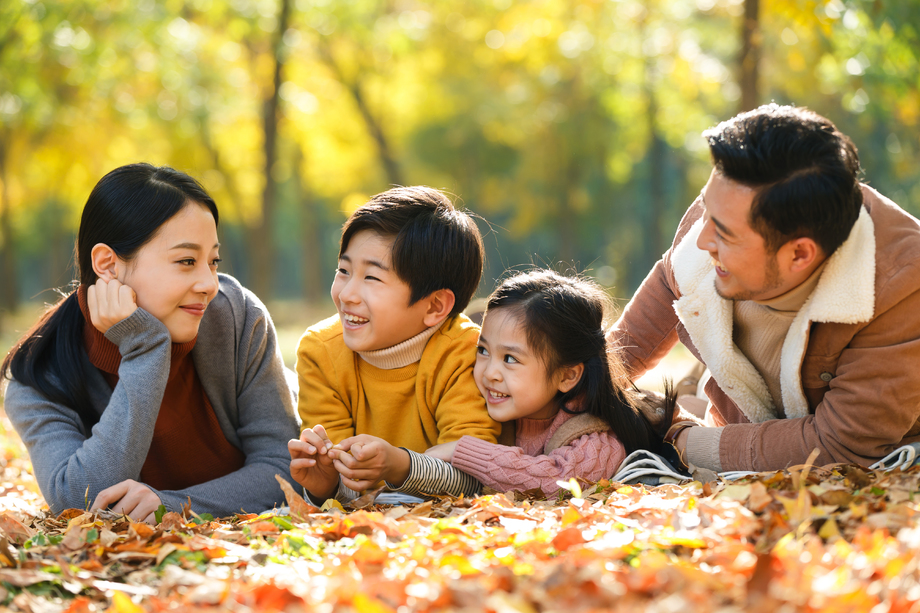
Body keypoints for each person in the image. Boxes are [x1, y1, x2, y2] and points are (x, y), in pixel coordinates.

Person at [609, 103, 920, 474]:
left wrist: (678, 438)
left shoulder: (902, 285)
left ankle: (691, 395)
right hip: (736, 428)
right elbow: (654, 301)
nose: (701, 238)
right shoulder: (727, 203)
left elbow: (840, 443)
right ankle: (693, 392)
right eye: (705, 210)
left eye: (724, 234)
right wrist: (581, 388)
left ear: (800, 254)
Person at [1, 163, 299, 522]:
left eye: (212, 261)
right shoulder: (40, 376)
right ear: (107, 264)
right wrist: (145, 348)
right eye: (186, 261)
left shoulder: (236, 317)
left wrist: (171, 506)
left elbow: (284, 468)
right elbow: (76, 501)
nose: (208, 283)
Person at [289, 186, 501, 504]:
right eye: (343, 271)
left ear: (434, 307)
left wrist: (400, 465)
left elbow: (474, 479)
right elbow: (344, 486)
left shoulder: (465, 353)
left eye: (372, 278)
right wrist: (326, 483)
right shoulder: (321, 352)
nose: (347, 294)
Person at [419, 270, 675, 496]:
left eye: (509, 358)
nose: (490, 373)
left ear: (567, 376)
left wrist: (463, 452)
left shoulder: (595, 434)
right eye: (483, 351)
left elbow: (558, 482)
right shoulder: (497, 403)